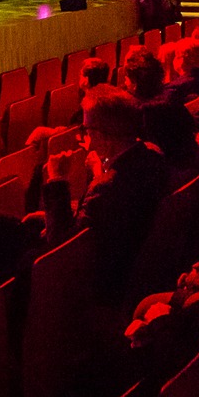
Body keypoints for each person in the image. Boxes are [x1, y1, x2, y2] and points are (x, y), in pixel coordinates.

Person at [44, 86, 172, 294]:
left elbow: (61, 247)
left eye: (86, 130)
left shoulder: (104, 188)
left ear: (104, 137)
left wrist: (56, 180)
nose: (83, 137)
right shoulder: (153, 155)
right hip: (135, 265)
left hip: (103, 284)